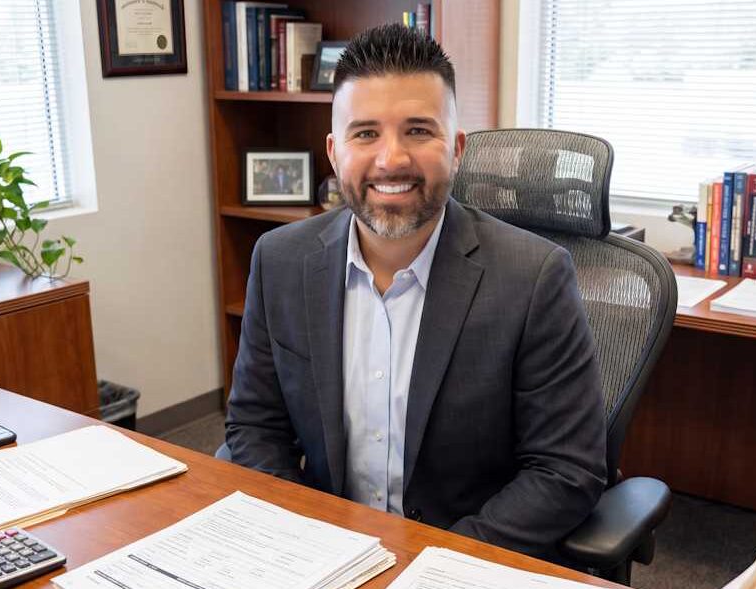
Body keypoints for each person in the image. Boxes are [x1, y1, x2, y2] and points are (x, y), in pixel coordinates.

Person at [223, 23, 606, 560]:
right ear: (334, 152)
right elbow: (255, 427)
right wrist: (310, 540)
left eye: (419, 130)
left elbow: (566, 468)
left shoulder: (534, 276)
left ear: (456, 148)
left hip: (462, 559)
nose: (391, 160)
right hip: (326, 555)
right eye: (365, 134)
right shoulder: (280, 261)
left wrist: (434, 561)